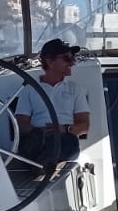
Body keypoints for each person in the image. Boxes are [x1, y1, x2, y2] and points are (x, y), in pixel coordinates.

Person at [14, 39, 91, 167]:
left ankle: (43, 163)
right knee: (37, 141)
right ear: (50, 62)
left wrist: (65, 129)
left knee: (61, 142)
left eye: (72, 58)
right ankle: (46, 161)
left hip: (65, 138)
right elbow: (21, 125)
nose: (72, 62)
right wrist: (40, 131)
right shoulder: (30, 89)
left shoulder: (75, 89)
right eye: (67, 58)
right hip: (38, 140)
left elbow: (84, 126)